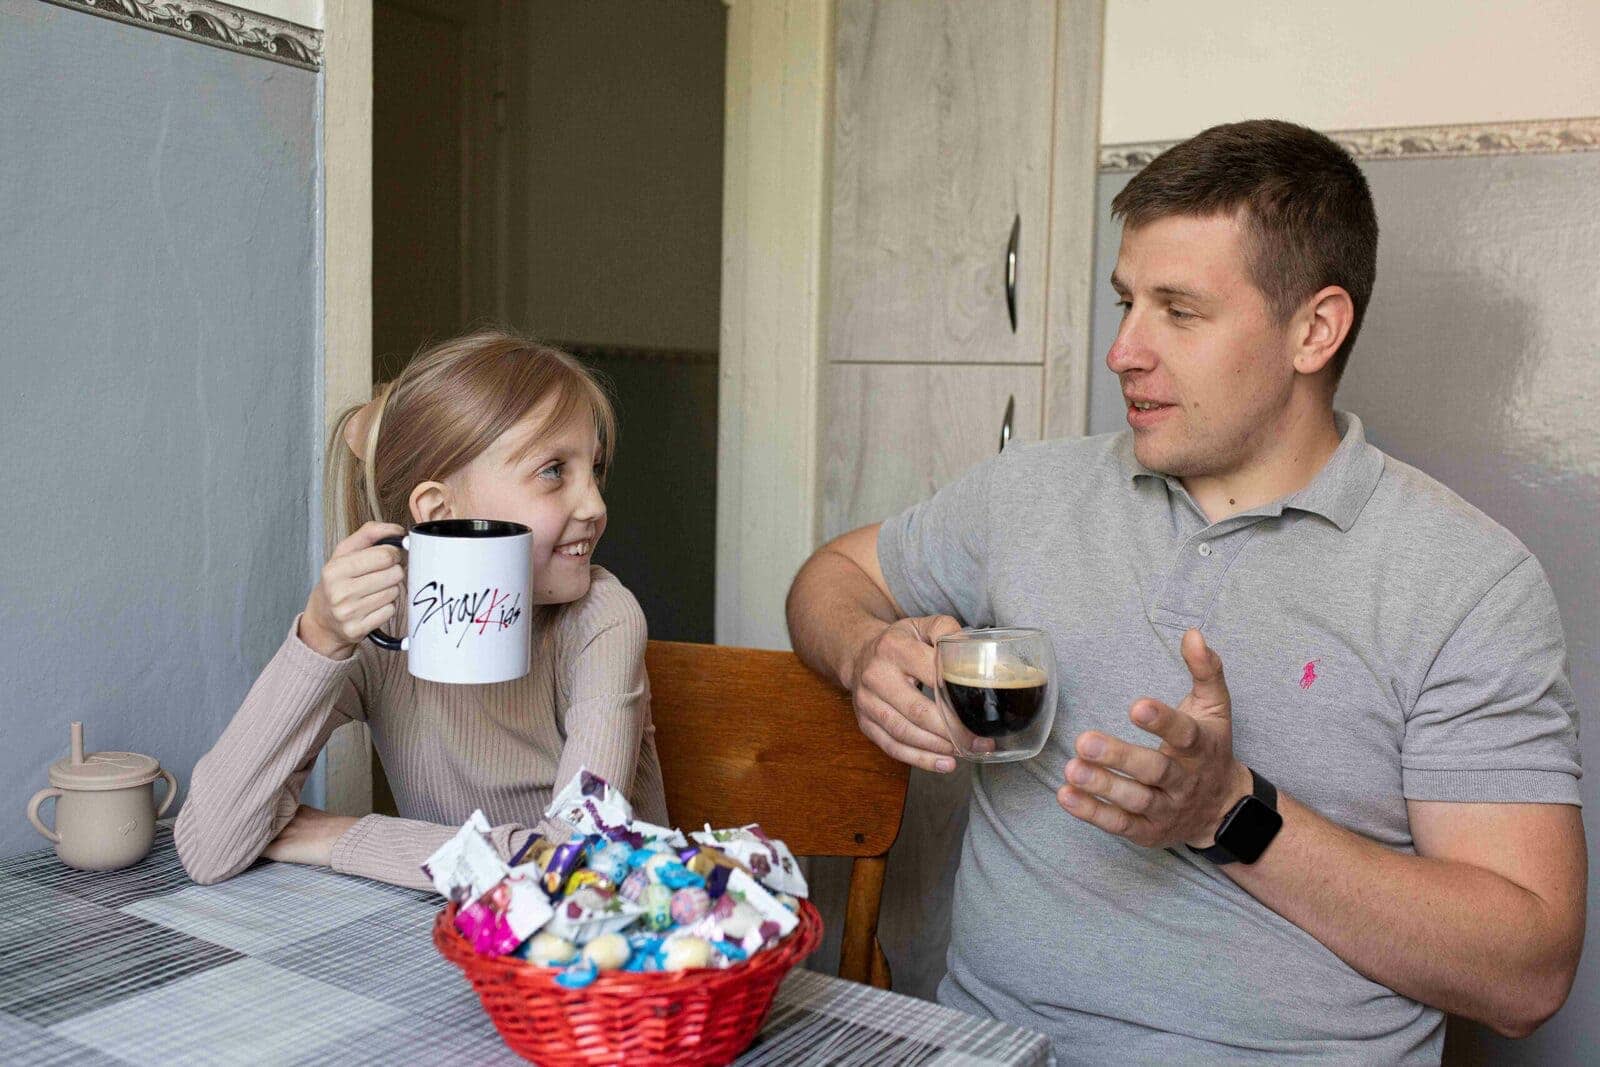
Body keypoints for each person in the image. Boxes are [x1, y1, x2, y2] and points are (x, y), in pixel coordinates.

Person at [786, 120, 1585, 1063]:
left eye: (1179, 310)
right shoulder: (1030, 491)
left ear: (1314, 330)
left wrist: (1229, 814)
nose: (1124, 350)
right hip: (991, 1046)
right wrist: (862, 650)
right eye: (1126, 302)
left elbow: (1527, 974)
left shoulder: (1467, 581)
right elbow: (833, 576)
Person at [176, 329, 668, 891]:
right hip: (446, 930)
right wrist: (321, 639)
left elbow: (575, 867)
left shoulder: (602, 620)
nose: (596, 504)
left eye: (594, 468)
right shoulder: (386, 627)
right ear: (438, 510)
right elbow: (210, 847)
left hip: (613, 933)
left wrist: (341, 836)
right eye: (553, 470)